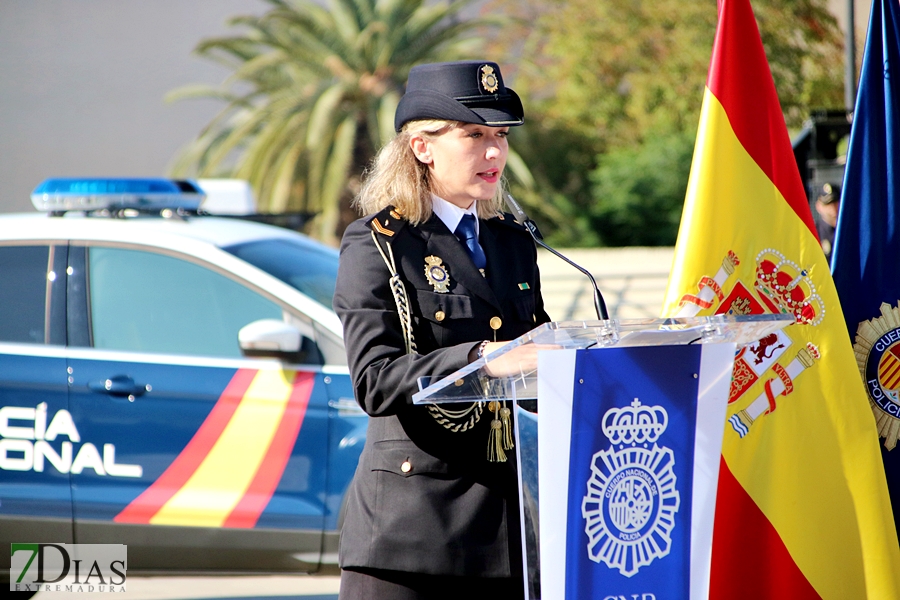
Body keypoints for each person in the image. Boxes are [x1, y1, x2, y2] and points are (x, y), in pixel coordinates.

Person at [332, 60, 551, 599]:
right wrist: (482, 358)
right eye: (474, 135)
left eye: (499, 135)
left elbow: (537, 361)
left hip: (508, 538)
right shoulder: (379, 243)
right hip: (411, 539)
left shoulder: (513, 242)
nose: (495, 152)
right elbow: (375, 381)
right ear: (422, 147)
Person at [814, 182, 841, 263]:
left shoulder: (852, 230)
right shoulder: (814, 232)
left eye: (835, 202)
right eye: (828, 204)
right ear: (818, 206)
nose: (832, 207)